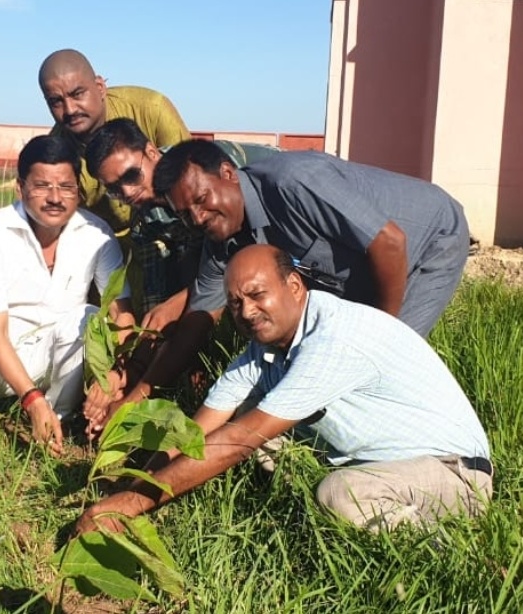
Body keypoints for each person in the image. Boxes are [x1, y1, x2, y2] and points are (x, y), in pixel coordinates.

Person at [73, 244, 492, 535]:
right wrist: (129, 487)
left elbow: (237, 440)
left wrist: (135, 504)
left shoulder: (332, 338)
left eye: (257, 295)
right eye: (235, 304)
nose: (247, 312)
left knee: (338, 495)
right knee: (259, 443)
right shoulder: (265, 349)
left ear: (294, 287)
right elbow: (197, 432)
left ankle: (447, 548)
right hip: (385, 462)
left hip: (452, 472)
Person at [104, 138, 471, 422]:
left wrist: (375, 335)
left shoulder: (294, 183)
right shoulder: (221, 237)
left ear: (229, 174)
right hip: (359, 265)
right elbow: (197, 322)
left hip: (428, 239)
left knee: (386, 359)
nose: (198, 218)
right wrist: (136, 397)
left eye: (202, 199)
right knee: (329, 360)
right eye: (185, 214)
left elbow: (390, 243)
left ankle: (421, 438)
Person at [0, 135, 134, 469]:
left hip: (54, 354)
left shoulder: (97, 234)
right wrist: (31, 398)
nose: (55, 198)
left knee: (87, 316)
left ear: (78, 190)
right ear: (21, 187)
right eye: (42, 186)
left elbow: (120, 313)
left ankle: (59, 420)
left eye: (65, 187)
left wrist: (113, 372)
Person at [82, 118, 278, 434]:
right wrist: (127, 377)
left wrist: (182, 302)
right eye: (114, 189)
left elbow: (245, 252)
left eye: (132, 176)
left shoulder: (203, 167)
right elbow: (161, 313)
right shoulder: (145, 219)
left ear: (150, 151)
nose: (127, 192)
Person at [38, 49, 189, 312]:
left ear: (100, 86)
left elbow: (190, 180)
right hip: (109, 252)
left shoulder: (151, 109)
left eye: (77, 94)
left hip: (173, 233)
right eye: (56, 101)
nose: (70, 110)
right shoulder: (57, 156)